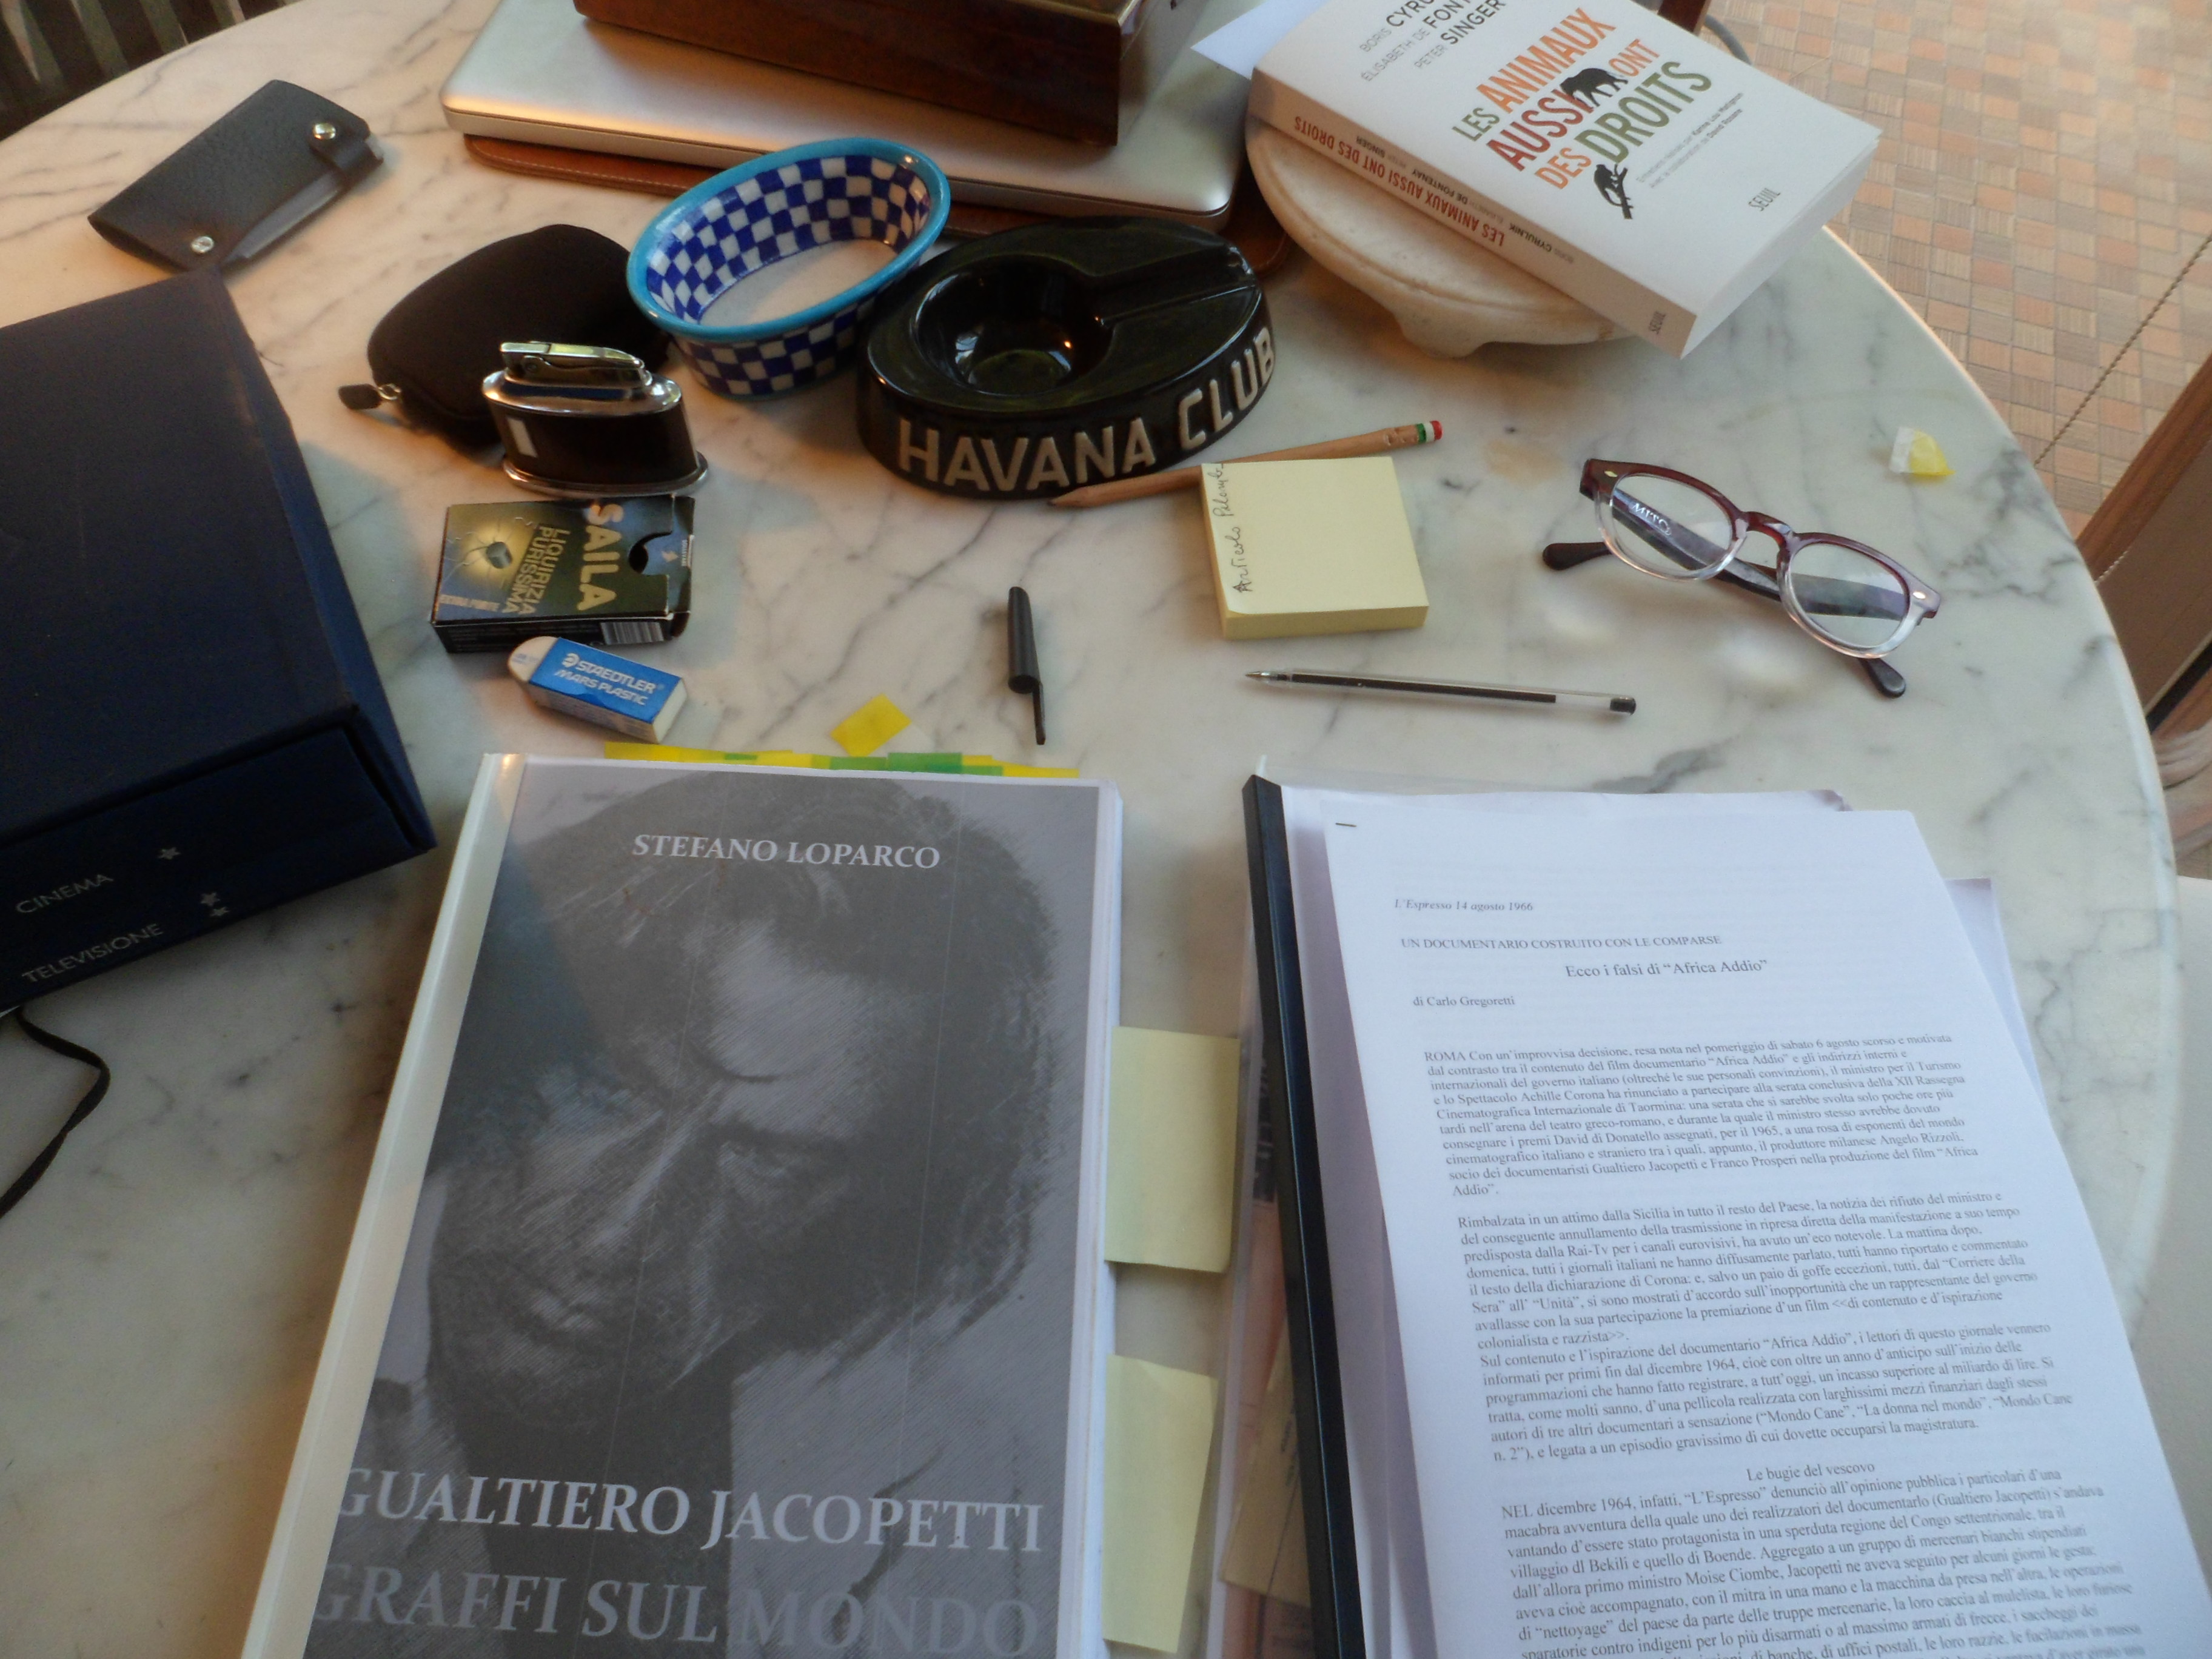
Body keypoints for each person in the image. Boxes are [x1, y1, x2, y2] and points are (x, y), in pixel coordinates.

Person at [310, 771, 1081, 1655]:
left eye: (772, 1160)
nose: (616, 1236)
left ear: (873, 1200)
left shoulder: (961, 1475)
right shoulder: (282, 1317)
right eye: (612, 1093)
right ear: (518, 1054)